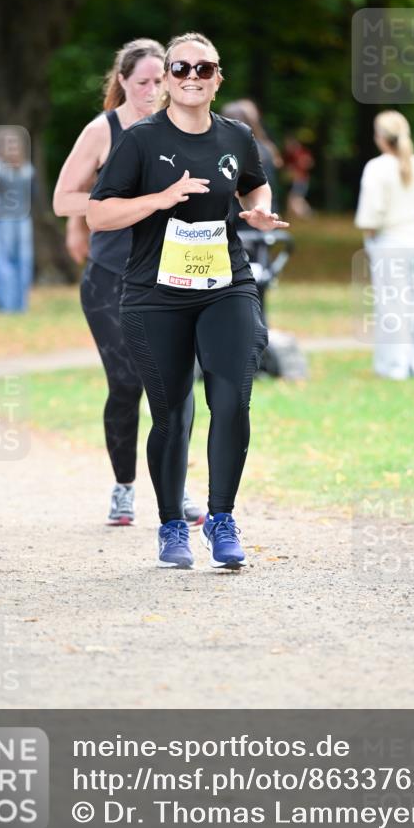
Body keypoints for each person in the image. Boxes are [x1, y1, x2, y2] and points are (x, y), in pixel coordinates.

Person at [87, 31, 288, 569]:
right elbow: (99, 214)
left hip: (226, 285)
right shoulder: (141, 140)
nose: (193, 77)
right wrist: (161, 198)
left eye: (205, 69)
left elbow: (254, 184)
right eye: (181, 69)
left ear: (218, 79)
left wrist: (259, 209)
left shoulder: (237, 136)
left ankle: (221, 519)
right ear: (168, 81)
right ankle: (173, 524)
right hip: (156, 294)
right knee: (172, 412)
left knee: (231, 399)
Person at [53, 39, 204, 527]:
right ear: (121, 82)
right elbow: (61, 200)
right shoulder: (104, 130)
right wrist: (118, 204)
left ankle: (175, 490)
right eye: (143, 82)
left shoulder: (181, 125)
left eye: (161, 80)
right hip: (111, 278)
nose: (153, 90)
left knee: (174, 386)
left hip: (169, 274)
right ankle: (124, 487)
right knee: (126, 383)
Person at [355, 110, 414, 380]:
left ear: (381, 137)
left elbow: (370, 215)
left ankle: (394, 366)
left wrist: (370, 239)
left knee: (392, 307)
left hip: (390, 242)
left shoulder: (376, 168)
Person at [0, 126, 35, 312]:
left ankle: (5, 305)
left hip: (0, 220)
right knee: (24, 261)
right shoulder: (29, 169)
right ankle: (21, 305)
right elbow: (33, 196)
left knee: (2, 261)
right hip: (23, 220)